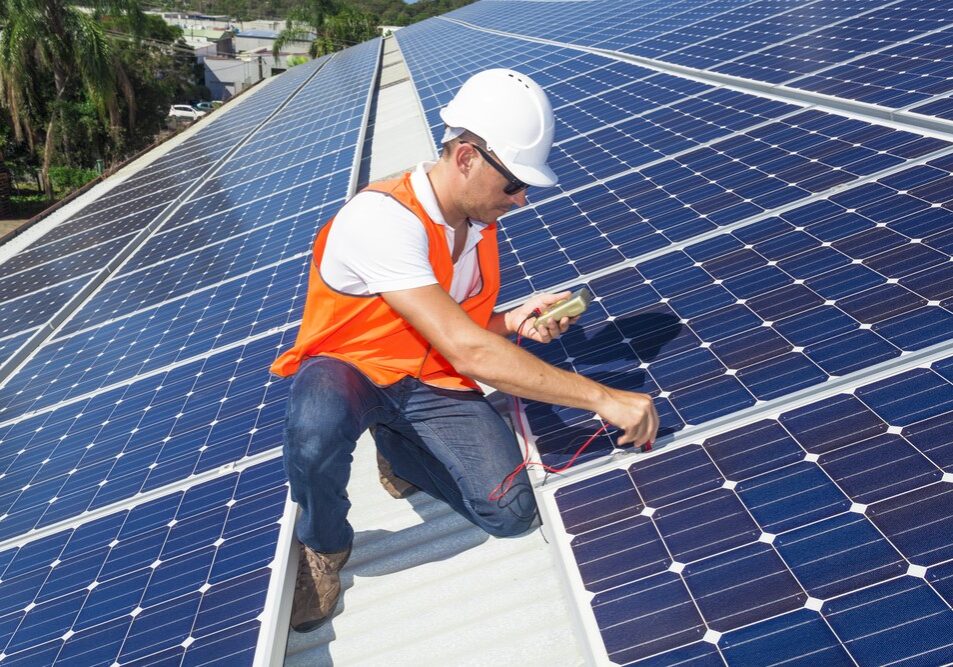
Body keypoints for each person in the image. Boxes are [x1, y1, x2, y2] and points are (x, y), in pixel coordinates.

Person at [270, 69, 659, 633]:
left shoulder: (476, 227)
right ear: (467, 157)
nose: (521, 200)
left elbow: (463, 326)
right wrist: (603, 398)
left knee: (511, 515)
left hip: (429, 379)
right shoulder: (382, 219)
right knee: (314, 428)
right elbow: (469, 350)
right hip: (350, 370)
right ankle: (325, 545)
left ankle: (398, 447)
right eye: (513, 185)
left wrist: (514, 322)